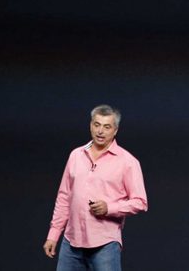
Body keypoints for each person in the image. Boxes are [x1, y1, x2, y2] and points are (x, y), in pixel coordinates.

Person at [43, 104, 148, 270]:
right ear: (90, 125)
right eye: (97, 125)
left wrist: (109, 208)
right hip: (71, 242)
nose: (100, 131)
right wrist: (54, 234)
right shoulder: (76, 155)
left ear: (115, 130)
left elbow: (140, 202)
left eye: (107, 127)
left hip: (105, 243)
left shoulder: (127, 162)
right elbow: (64, 197)